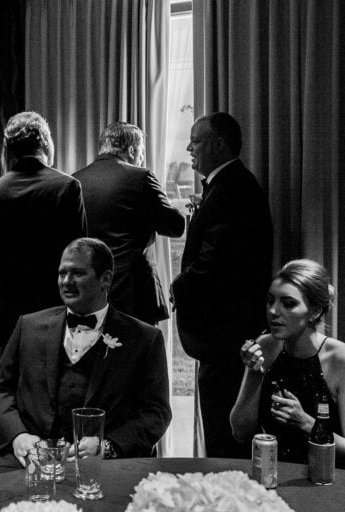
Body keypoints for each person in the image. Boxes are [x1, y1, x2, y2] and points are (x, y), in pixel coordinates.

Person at [0, 238, 171, 470]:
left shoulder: (144, 339)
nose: (66, 282)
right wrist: (19, 437)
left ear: (105, 280)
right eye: (62, 273)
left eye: (77, 273)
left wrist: (107, 446)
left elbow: (157, 412)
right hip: (26, 463)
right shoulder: (28, 326)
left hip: (106, 469)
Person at [171, 112, 273, 458]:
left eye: (196, 140)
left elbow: (215, 263)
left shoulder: (234, 189)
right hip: (224, 337)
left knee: (223, 435)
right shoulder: (227, 185)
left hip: (225, 337)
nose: (189, 147)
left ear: (219, 145)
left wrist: (178, 287)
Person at [0, 111, 87, 345]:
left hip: (11, 311)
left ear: (9, 149)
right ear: (46, 142)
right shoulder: (67, 186)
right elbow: (78, 251)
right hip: (55, 308)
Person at [230, 259, 345, 465]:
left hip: (325, 479)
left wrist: (307, 423)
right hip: (271, 472)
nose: (274, 311)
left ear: (315, 311)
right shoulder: (265, 346)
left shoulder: (339, 359)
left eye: (288, 304)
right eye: (270, 300)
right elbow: (240, 432)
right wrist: (255, 374)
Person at [73, 122, 184, 325]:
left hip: (89, 289)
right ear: (132, 150)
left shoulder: (75, 180)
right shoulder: (141, 178)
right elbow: (175, 226)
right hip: (134, 293)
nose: (142, 158)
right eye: (141, 152)